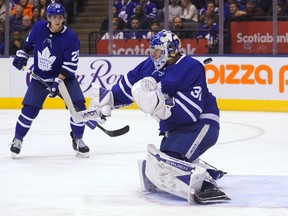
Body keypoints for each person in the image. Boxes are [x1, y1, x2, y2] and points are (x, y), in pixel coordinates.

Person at [88, 29, 230, 204]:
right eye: (152, 50)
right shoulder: (150, 64)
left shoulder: (192, 67)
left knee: (168, 162)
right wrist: (106, 101)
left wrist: (158, 104)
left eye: (157, 51)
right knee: (165, 159)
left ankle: (207, 185)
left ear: (171, 50)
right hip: (176, 128)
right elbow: (127, 86)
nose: (153, 54)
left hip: (202, 125)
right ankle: (200, 167)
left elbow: (191, 113)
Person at [10, 2, 90, 158]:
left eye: (60, 17)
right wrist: (21, 55)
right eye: (54, 17)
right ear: (49, 18)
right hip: (40, 78)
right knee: (29, 110)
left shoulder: (71, 37)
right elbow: (28, 45)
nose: (57, 21)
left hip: (65, 78)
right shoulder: (39, 27)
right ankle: (17, 139)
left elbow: (70, 65)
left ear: (63, 18)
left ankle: (78, 139)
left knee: (79, 107)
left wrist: (58, 82)